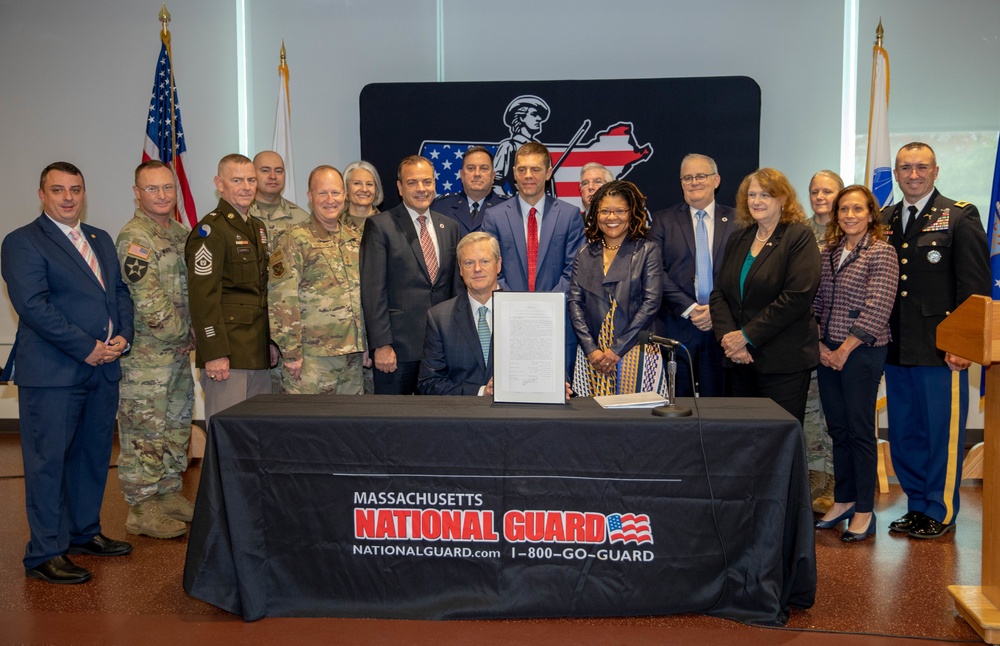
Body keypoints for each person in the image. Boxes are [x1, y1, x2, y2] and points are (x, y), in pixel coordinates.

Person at [1, 162, 134, 584]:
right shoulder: (22, 242)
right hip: (55, 373)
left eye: (75, 189)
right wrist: (86, 347)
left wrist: (123, 337)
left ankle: (82, 533)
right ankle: (44, 552)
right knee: (49, 465)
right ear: (42, 194)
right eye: (58, 189)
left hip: (103, 369)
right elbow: (34, 306)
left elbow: (118, 293)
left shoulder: (100, 238)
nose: (68, 197)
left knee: (92, 458)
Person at [881, 142, 990, 539]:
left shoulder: (959, 216)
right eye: (905, 168)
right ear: (895, 174)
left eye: (921, 167)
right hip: (896, 348)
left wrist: (962, 344)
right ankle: (916, 506)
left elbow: (974, 289)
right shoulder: (885, 218)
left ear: (936, 170)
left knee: (940, 433)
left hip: (942, 350)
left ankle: (940, 510)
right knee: (905, 433)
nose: (913, 174)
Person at [812, 185, 898, 542]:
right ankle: (844, 500)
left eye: (857, 209)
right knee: (838, 430)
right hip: (827, 349)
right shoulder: (827, 251)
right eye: (843, 209)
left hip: (862, 350)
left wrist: (844, 349)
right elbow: (815, 301)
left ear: (870, 214)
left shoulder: (882, 252)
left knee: (860, 431)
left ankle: (864, 509)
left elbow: (878, 307)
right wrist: (819, 344)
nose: (849, 215)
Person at [115, 160, 195, 540]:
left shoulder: (181, 233)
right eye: (152, 189)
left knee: (176, 426)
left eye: (167, 188)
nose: (162, 195)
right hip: (148, 360)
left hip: (178, 355)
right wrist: (187, 336)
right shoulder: (135, 238)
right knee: (144, 432)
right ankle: (141, 507)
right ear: (137, 192)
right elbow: (150, 304)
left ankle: (168, 492)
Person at [710, 168, 821, 426]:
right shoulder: (739, 237)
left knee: (778, 441)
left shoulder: (798, 236)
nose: (756, 201)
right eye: (752, 195)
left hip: (783, 362)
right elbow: (719, 294)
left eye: (765, 195)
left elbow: (796, 297)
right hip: (739, 360)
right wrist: (730, 339)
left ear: (782, 199)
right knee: (742, 440)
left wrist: (746, 336)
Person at [360, 155, 462, 395]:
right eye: (413, 182)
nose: (421, 189)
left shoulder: (450, 227)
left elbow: (456, 289)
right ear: (399, 187)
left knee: (438, 424)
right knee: (393, 424)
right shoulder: (380, 226)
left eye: (427, 182)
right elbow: (373, 291)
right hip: (398, 351)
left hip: (441, 351)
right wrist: (382, 344)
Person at [483, 142, 586, 376]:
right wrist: (517, 307)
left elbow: (575, 269)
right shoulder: (494, 217)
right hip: (509, 320)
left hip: (557, 322)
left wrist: (544, 308)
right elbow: (491, 270)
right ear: (514, 173)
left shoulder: (569, 216)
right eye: (522, 169)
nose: (528, 175)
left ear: (549, 172)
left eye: (536, 169)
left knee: (560, 397)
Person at [186, 154, 275, 425]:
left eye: (251, 180)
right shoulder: (210, 230)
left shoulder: (257, 227)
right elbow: (203, 298)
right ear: (219, 183)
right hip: (228, 355)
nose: (246, 187)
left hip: (256, 352)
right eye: (237, 180)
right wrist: (213, 353)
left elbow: (260, 294)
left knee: (257, 435)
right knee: (228, 434)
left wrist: (269, 342)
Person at [269, 166, 367, 394]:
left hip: (352, 359)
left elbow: (366, 296)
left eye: (335, 192)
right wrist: (291, 352)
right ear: (310, 197)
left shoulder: (356, 240)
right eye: (322, 193)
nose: (330, 200)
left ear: (344, 195)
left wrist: (366, 344)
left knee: (351, 427)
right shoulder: (294, 239)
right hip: (311, 359)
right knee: (306, 427)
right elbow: (282, 299)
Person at [650, 154, 736, 398]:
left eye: (701, 176)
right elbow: (655, 270)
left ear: (716, 180)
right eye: (687, 177)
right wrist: (690, 308)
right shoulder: (663, 220)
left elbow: (744, 274)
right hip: (678, 326)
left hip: (723, 327)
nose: (694, 182)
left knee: (719, 407)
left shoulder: (738, 220)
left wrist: (714, 311)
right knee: (678, 408)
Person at [568, 181, 663, 396]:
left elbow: (650, 305)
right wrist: (591, 350)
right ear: (595, 214)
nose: (612, 218)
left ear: (632, 213)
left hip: (635, 349)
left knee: (636, 423)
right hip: (593, 356)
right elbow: (575, 303)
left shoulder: (647, 251)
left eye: (619, 211)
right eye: (605, 211)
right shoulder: (584, 253)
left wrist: (616, 350)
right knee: (592, 423)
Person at [805, 170, 845, 513]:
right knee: (808, 409)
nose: (820, 197)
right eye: (815, 191)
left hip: (840, 336)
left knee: (835, 413)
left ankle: (834, 478)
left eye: (827, 191)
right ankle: (813, 474)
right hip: (805, 334)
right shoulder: (800, 231)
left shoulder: (848, 231)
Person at [418, 232, 502, 396]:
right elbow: (429, 382)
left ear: (498, 264)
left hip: (513, 416)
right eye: (469, 263)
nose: (477, 269)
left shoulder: (524, 311)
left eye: (484, 261)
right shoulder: (439, 318)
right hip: (462, 415)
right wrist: (480, 391)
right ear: (461, 269)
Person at [433, 147, 507, 236]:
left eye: (484, 168)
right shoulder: (440, 207)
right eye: (471, 168)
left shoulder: (507, 209)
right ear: (462, 175)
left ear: (493, 176)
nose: (477, 174)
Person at [249, 150, 310, 252]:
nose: (273, 176)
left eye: (278, 171)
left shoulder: (303, 219)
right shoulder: (241, 215)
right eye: (265, 170)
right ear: (253, 174)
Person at [493, 95, 549, 194]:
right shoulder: (508, 146)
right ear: (521, 117)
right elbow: (496, 184)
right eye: (534, 114)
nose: (539, 119)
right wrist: (509, 205)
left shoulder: (542, 150)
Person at [343, 160, 383, 230]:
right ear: (346, 188)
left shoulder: (388, 224)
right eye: (357, 183)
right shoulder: (333, 223)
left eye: (369, 184)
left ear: (376, 189)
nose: (364, 189)